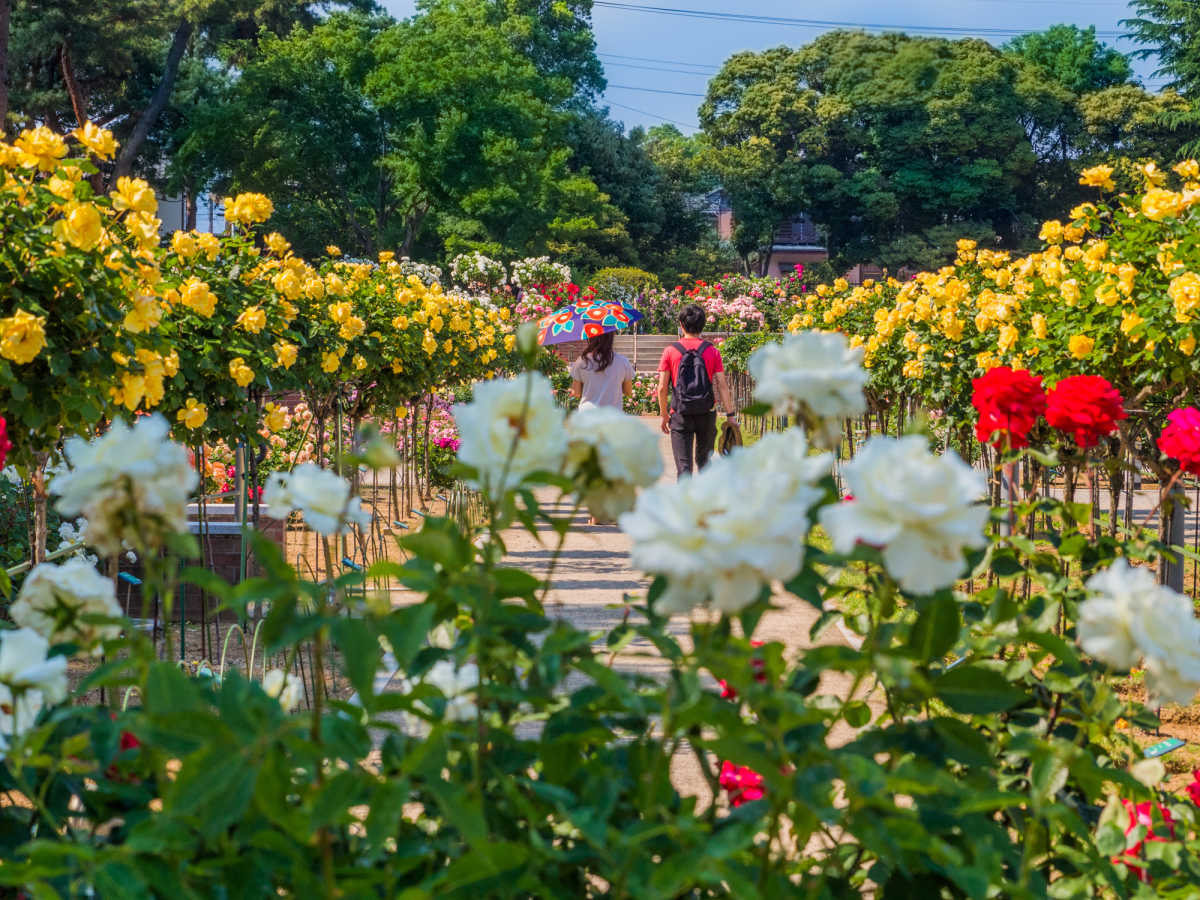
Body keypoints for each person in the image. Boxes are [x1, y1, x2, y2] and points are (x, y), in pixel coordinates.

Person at [657, 304, 738, 478]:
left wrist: (664, 415)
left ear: (681, 324)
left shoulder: (670, 351)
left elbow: (662, 387)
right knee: (704, 465)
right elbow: (722, 385)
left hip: (680, 414)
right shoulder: (712, 351)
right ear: (703, 325)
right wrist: (731, 415)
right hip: (706, 413)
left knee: (684, 468)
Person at [570, 332, 634, 410]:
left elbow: (576, 393)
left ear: (590, 337)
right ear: (610, 338)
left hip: (587, 414)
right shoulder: (623, 362)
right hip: (613, 414)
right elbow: (628, 392)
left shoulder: (581, 361)